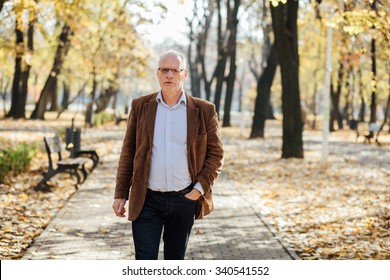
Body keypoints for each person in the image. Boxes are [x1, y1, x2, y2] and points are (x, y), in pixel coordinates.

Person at [112, 50, 224, 260]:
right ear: (157, 73)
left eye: (175, 70)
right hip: (147, 199)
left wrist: (198, 190)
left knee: (174, 261)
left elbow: (216, 155)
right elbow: (128, 152)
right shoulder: (140, 106)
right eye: (164, 70)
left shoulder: (204, 110)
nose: (169, 75)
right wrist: (120, 194)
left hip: (184, 198)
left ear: (185, 74)